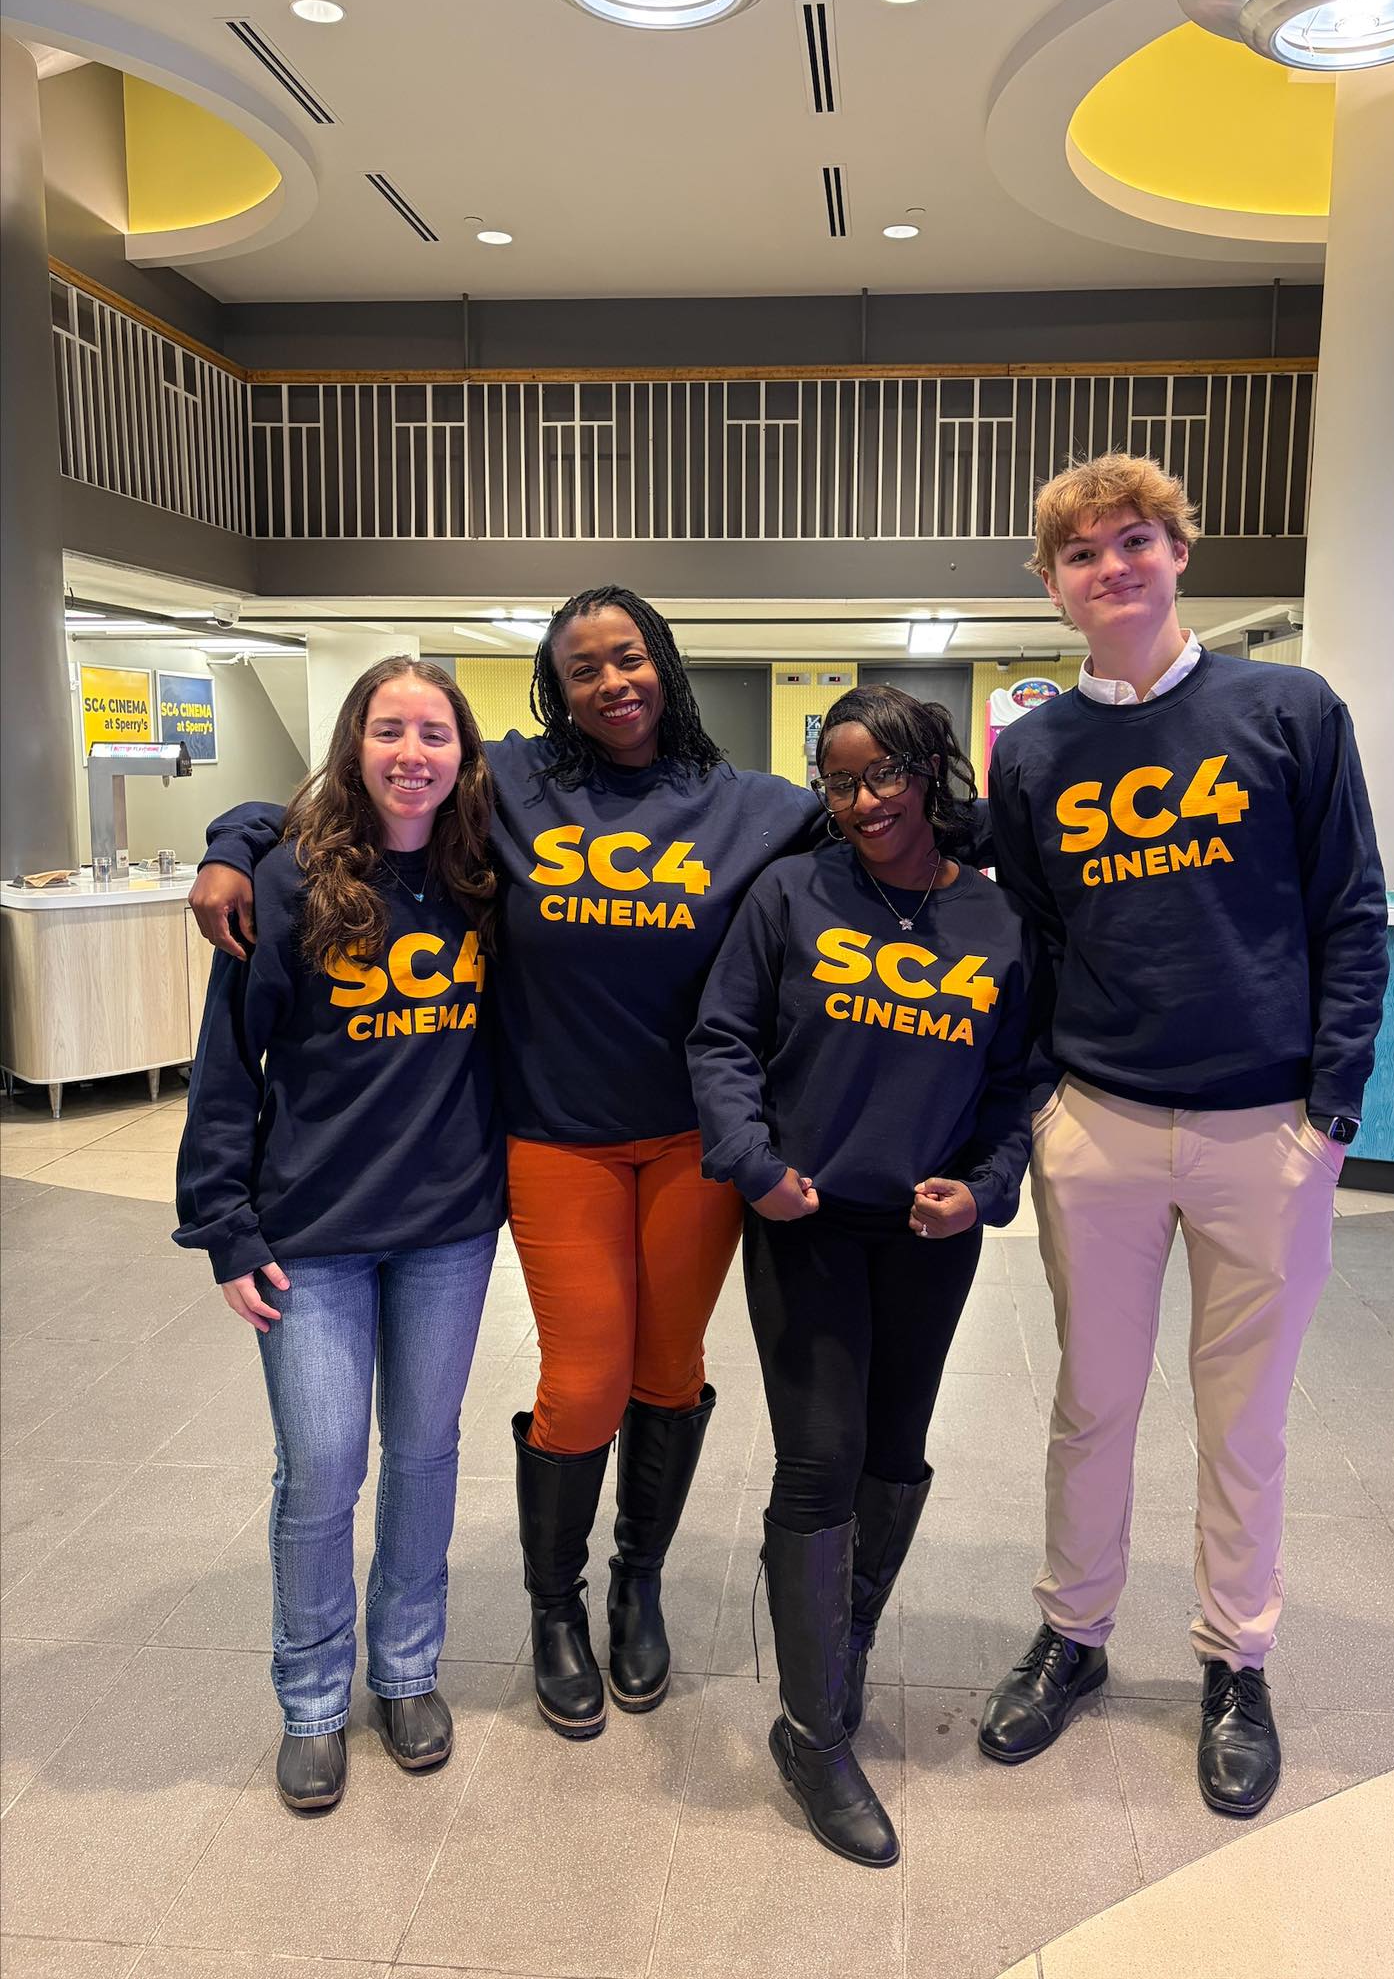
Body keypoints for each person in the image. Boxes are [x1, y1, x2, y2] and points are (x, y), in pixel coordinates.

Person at [187, 591, 987, 1743]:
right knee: (584, 1377)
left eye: (629, 657)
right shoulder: (511, 785)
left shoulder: (755, 807)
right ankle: (553, 1603)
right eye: (580, 668)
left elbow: (898, 824)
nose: (610, 681)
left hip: (693, 1145)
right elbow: (352, 792)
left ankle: (636, 1580)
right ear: (552, 689)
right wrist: (233, 843)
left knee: (669, 1366)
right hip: (553, 1135)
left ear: (663, 661)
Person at [983, 454, 1387, 1816]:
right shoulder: (1032, 750)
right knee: (1091, 1405)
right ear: (1053, 585)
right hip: (1094, 1119)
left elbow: (1349, 910)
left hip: (1262, 1126)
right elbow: (1028, 936)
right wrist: (1038, 1098)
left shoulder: (1289, 708)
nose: (1115, 566)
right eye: (1084, 552)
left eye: (1137, 539)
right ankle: (1076, 1636)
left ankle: (1236, 1661)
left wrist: (1331, 1112)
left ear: (1179, 553)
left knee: (1244, 1420)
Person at [688, 686, 1044, 1868]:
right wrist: (752, 1163)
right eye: (839, 782)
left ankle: (835, 1649)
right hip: (807, 1222)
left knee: (895, 1453)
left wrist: (985, 1190)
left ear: (932, 772)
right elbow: (723, 1039)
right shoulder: (789, 894)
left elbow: (1015, 1085)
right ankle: (814, 1728)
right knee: (821, 1458)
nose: (864, 802)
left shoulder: (997, 921)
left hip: (924, 1235)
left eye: (885, 775)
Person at [174, 658, 504, 1813]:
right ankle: (312, 1700)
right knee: (320, 1468)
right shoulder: (284, 878)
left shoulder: (486, 871)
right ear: (354, 742)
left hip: (448, 1228)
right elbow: (229, 1067)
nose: (413, 751)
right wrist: (223, 1221)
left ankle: (405, 1669)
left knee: (424, 1452)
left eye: (436, 732)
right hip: (307, 1234)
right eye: (389, 728)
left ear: (468, 753)